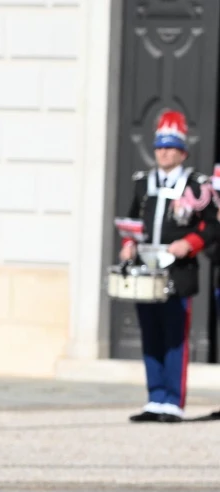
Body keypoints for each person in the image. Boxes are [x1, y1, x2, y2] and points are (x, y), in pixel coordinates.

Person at [119, 110, 219, 423]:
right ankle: (155, 398)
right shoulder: (142, 183)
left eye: (170, 146)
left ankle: (174, 401)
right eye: (160, 146)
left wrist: (190, 243)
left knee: (175, 336)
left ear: (182, 151)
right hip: (148, 269)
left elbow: (212, 226)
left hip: (178, 271)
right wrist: (128, 244)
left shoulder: (196, 185)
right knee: (151, 333)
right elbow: (133, 220)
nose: (163, 152)